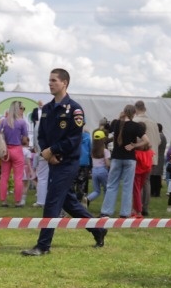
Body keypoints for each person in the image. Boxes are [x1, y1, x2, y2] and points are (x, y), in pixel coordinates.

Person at [21, 68, 107, 256]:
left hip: (68, 162)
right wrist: (47, 152)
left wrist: (53, 150)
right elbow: (42, 135)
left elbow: (74, 139)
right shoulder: (47, 109)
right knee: (68, 203)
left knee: (52, 200)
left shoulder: (74, 109)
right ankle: (98, 229)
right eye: (49, 80)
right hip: (52, 160)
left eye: (54, 80)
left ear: (65, 83)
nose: (50, 83)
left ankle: (43, 246)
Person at [100, 104, 149, 218]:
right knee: (127, 186)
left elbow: (105, 130)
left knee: (112, 185)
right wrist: (135, 145)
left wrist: (119, 117)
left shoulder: (116, 123)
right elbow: (146, 141)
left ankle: (106, 211)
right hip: (129, 159)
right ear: (134, 113)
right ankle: (125, 213)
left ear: (124, 112)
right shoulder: (136, 126)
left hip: (116, 157)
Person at [0, 101, 30, 207]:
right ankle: (17, 201)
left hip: (6, 150)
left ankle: (3, 200)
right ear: (18, 109)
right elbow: (25, 139)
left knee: (4, 176)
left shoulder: (3, 121)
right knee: (18, 177)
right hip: (17, 149)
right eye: (22, 108)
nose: (22, 110)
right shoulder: (22, 122)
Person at [133, 100, 160, 217]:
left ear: (136, 109)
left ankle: (137, 207)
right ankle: (145, 207)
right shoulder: (154, 123)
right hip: (151, 156)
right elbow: (158, 141)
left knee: (137, 183)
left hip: (139, 156)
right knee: (146, 182)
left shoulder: (135, 122)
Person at [84, 129, 110, 207]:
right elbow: (107, 164)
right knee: (106, 189)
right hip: (103, 171)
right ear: (103, 140)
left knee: (97, 191)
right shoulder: (105, 151)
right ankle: (106, 207)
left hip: (94, 171)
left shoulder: (92, 151)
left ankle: (87, 199)